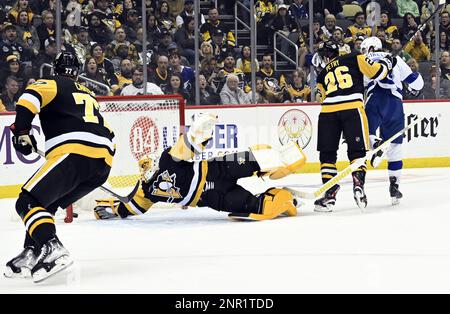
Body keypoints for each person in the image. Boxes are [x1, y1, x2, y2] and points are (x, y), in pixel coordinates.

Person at [4, 51, 115, 283]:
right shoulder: (89, 94)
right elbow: (109, 133)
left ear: (55, 69)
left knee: (26, 201)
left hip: (75, 151)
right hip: (102, 163)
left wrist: (22, 132)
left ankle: (51, 246)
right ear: (77, 71)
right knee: (46, 204)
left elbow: (28, 98)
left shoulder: (52, 82)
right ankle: (32, 251)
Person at [93, 113, 306, 221]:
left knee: (258, 157)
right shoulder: (145, 191)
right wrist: (112, 210)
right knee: (257, 208)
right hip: (212, 196)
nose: (146, 169)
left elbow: (188, 146)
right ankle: (282, 199)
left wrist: (200, 129)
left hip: (216, 169)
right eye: (144, 168)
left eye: (147, 164)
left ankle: (289, 158)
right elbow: (132, 207)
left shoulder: (167, 159)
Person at [313, 41, 394, 212]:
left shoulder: (321, 75)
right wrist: (388, 63)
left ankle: (330, 192)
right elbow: (376, 73)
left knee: (327, 155)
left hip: (328, 112)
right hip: (352, 108)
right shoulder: (355, 57)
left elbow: (320, 97)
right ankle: (358, 185)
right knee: (357, 152)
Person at [361, 37, 424, 205]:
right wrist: (413, 83)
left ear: (369, 48)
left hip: (375, 99)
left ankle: (376, 146)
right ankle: (394, 187)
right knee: (396, 146)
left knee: (367, 132)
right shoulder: (395, 59)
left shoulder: (364, 60)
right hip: (396, 104)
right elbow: (417, 84)